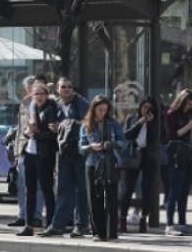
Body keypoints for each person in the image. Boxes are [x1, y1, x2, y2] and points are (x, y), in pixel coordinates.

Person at [45, 77, 91, 238]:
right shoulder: (56, 104)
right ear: (57, 89)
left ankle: (81, 224)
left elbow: (88, 122)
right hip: (64, 151)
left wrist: (64, 125)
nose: (67, 89)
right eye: (63, 87)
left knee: (81, 190)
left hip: (79, 151)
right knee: (63, 189)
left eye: (69, 87)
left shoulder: (80, 102)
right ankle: (58, 225)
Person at [80, 95, 125, 242]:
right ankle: (98, 233)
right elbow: (81, 147)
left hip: (109, 162)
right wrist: (91, 147)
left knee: (111, 198)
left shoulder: (112, 123)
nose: (102, 113)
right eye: (100, 109)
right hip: (93, 163)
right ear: (94, 109)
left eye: (105, 110)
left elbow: (122, 141)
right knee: (95, 199)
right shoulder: (86, 125)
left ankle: (111, 232)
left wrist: (112, 144)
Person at [17, 83, 58, 237]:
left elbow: (52, 135)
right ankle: (29, 225)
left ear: (47, 95)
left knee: (46, 189)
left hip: (44, 154)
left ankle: (50, 224)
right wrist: (30, 132)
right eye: (36, 94)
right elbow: (26, 132)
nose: (39, 97)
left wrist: (36, 133)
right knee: (30, 189)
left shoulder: (50, 109)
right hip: (30, 152)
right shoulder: (32, 108)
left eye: (42, 94)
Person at [8, 75, 46, 227]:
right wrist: (17, 151)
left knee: (37, 185)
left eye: (33, 86)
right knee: (21, 184)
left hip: (38, 148)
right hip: (23, 147)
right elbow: (19, 129)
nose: (30, 89)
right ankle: (22, 215)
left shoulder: (44, 103)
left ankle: (36, 215)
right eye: (28, 87)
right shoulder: (24, 103)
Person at [118, 96, 157, 234]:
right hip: (132, 154)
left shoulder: (155, 121)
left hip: (147, 156)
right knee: (127, 189)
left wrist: (150, 123)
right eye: (145, 107)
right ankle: (122, 219)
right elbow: (126, 135)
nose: (147, 110)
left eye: (150, 108)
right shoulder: (132, 118)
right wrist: (140, 123)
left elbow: (155, 138)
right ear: (140, 107)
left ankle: (143, 220)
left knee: (147, 189)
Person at [164, 89, 192, 236]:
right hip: (176, 155)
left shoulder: (187, 114)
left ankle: (182, 222)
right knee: (174, 190)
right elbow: (172, 135)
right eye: (187, 104)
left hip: (188, 154)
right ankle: (169, 224)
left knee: (184, 190)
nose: (189, 107)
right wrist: (188, 126)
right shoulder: (172, 114)